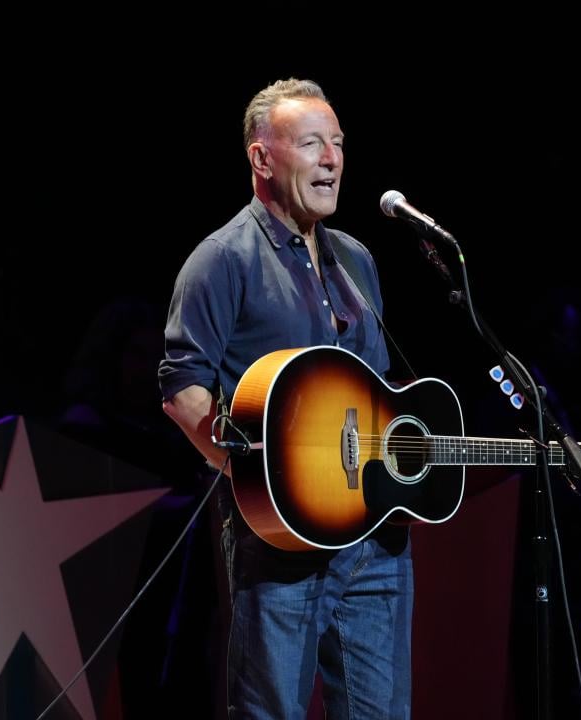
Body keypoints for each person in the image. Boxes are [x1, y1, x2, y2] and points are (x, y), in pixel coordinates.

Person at [158, 78, 412, 719]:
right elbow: (182, 388)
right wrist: (260, 480)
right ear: (262, 158)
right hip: (277, 544)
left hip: (371, 542)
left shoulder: (357, 260)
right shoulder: (222, 259)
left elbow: (379, 395)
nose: (331, 159)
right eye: (310, 144)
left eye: (338, 143)